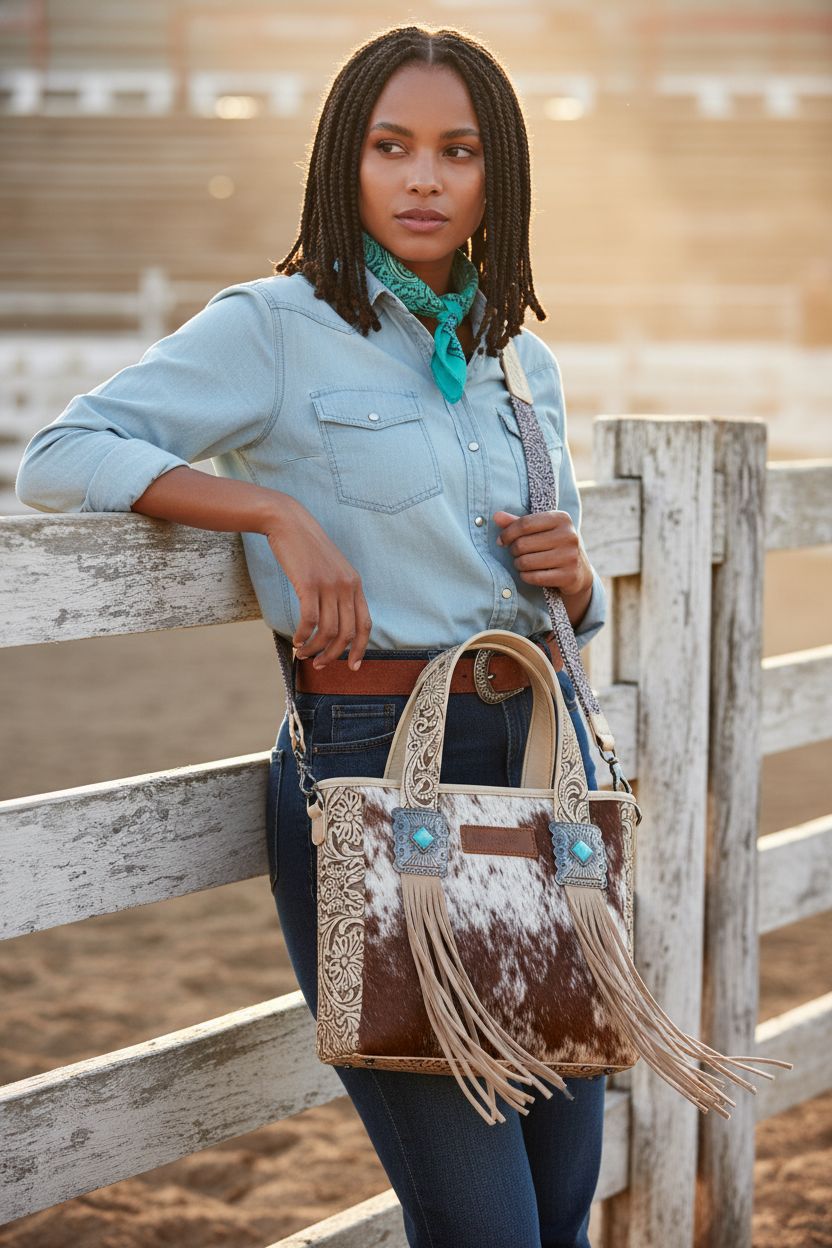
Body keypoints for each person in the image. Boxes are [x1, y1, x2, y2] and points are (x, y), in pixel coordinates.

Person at [15, 24, 609, 1248]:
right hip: (373, 765)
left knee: (559, 1209)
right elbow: (61, 455)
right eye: (391, 148)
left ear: (501, 173)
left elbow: (529, 589)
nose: (424, 180)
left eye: (457, 151)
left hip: (544, 774)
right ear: (346, 162)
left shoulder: (521, 361)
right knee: (482, 1226)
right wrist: (267, 508)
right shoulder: (276, 328)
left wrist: (579, 581)